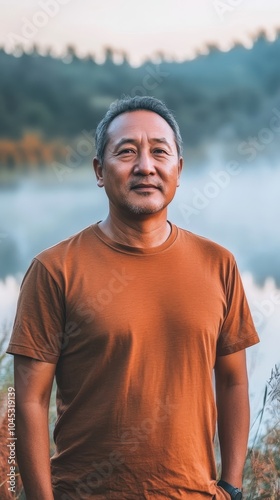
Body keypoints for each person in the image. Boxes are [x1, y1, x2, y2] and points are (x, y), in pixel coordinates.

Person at [7, 96, 259, 500]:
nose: (145, 166)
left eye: (160, 151)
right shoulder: (55, 269)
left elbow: (233, 380)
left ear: (179, 169)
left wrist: (231, 486)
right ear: (99, 171)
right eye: (126, 152)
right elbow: (29, 400)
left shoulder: (218, 264)